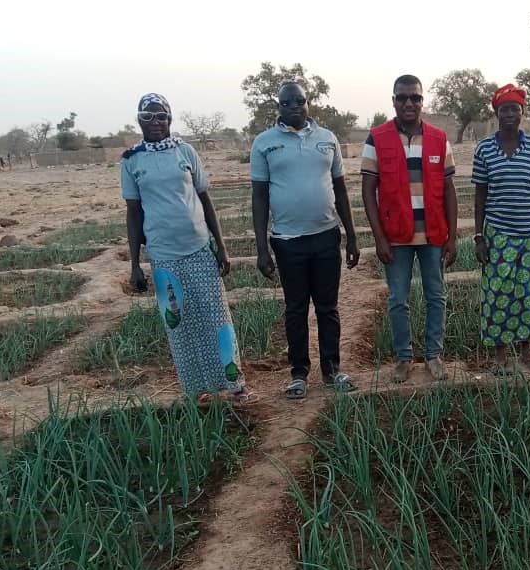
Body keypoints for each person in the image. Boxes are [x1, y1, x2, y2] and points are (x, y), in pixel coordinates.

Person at [121, 93, 256, 404]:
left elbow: (205, 201)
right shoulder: (132, 161)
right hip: (163, 256)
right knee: (179, 325)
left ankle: (235, 384)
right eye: (149, 117)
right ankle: (197, 390)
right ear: (139, 120)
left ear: (171, 119)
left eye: (162, 116)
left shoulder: (185, 152)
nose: (156, 123)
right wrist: (134, 264)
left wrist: (220, 246)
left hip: (198, 248)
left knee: (217, 317)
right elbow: (134, 212)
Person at [251, 81, 360, 400]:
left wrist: (351, 236)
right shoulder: (264, 143)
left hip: (327, 237)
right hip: (287, 241)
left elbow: (340, 189)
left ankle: (332, 369)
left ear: (309, 103)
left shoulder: (327, 139)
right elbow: (259, 197)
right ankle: (298, 373)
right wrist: (262, 249)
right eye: (287, 103)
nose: (294, 106)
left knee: (328, 308)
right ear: (278, 107)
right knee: (296, 309)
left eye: (300, 101)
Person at [362, 74, 458, 383]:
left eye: (414, 98)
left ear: (421, 101)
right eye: (402, 97)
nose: (408, 103)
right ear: (393, 101)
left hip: (433, 234)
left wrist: (452, 237)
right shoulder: (376, 138)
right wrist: (379, 238)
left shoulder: (439, 138)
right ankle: (404, 358)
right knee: (398, 300)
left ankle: (434, 356)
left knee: (436, 296)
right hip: (396, 236)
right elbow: (368, 190)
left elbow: (449, 189)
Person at [471, 83, 530, 374]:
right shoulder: (485, 149)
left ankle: (527, 350)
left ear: (522, 112)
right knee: (497, 293)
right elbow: (480, 195)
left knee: (528, 293)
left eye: (515, 109)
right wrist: (479, 236)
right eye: (504, 109)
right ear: (496, 112)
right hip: (499, 235)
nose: (509, 114)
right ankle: (500, 355)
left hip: (529, 234)